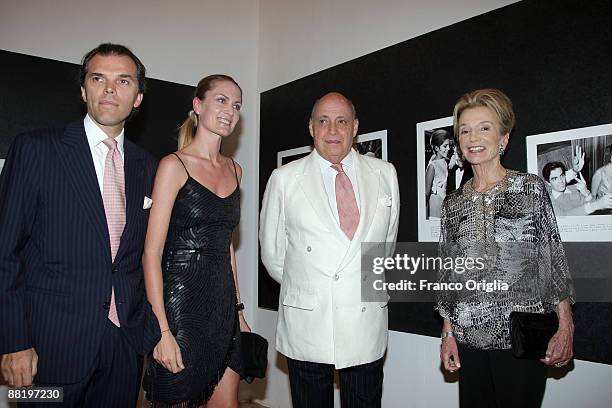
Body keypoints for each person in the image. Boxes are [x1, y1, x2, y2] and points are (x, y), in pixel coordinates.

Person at [0, 43, 160, 406]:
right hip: (48, 350)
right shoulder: (36, 150)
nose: (109, 89)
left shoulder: (147, 166)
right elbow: (4, 251)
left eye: (123, 81)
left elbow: (144, 256)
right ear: (83, 89)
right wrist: (13, 341)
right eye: (98, 78)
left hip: (124, 348)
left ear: (137, 98)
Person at [260, 92, 400, 408]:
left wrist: (352, 281)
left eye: (341, 121)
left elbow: (385, 248)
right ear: (311, 127)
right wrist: (313, 284)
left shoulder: (385, 174)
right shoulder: (285, 178)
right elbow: (272, 254)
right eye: (323, 121)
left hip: (364, 319)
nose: (332, 130)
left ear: (355, 128)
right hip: (309, 319)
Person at [436, 89, 575, 408]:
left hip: (521, 338)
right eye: (465, 130)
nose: (473, 137)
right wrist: (448, 334)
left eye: (484, 127)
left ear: (503, 138)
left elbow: (553, 260)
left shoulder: (530, 189)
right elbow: (449, 275)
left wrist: (565, 324)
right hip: (469, 340)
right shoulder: (453, 204)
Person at [142, 74, 249, 408]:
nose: (230, 110)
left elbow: (226, 247)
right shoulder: (173, 166)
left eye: (236, 105)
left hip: (222, 310)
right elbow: (151, 253)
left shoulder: (236, 170)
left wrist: (239, 311)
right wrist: (162, 331)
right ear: (197, 105)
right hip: (179, 309)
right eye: (221, 100)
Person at [542, 161, 612, 216]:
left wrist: (586, 192)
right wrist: (595, 206)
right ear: (548, 183)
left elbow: (592, 203)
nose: (560, 181)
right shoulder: (551, 203)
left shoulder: (574, 187)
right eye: (554, 179)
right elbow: (565, 217)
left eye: (562, 176)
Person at [425, 129, 452, 218]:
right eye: (445, 146)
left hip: (444, 200)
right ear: (437, 148)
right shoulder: (432, 166)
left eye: (448, 145)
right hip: (435, 201)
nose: (448, 148)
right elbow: (426, 193)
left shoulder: (445, 162)